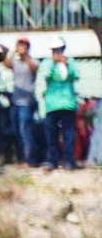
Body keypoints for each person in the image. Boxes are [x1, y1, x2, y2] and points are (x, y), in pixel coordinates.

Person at [42, 38, 80, 170]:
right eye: (54, 50)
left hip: (67, 102)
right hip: (52, 103)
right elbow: (45, 75)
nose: (57, 53)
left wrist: (67, 65)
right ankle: (52, 160)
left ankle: (69, 160)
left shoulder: (71, 62)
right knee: (51, 133)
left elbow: (76, 76)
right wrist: (54, 64)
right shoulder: (47, 63)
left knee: (68, 133)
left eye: (59, 50)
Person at [8, 39, 41, 166]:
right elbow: (6, 64)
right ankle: (21, 157)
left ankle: (29, 159)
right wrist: (12, 52)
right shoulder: (15, 62)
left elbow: (34, 69)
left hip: (27, 102)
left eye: (23, 46)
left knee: (25, 130)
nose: (20, 47)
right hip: (15, 100)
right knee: (16, 130)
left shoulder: (33, 61)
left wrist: (25, 56)